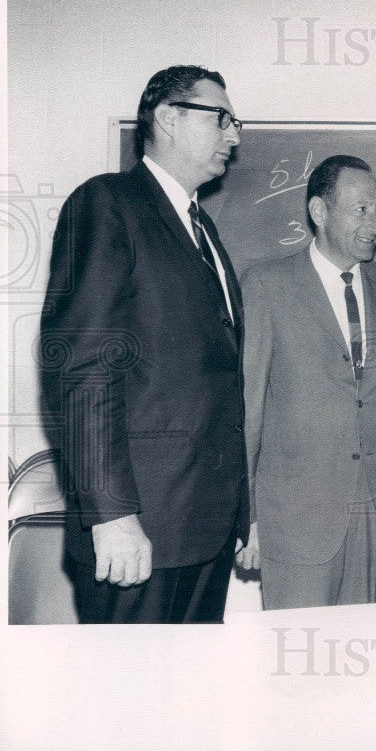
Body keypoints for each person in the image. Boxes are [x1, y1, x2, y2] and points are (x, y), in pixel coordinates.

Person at [39, 65, 249, 623]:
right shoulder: (106, 204)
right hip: (138, 532)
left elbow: (219, 386)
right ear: (168, 118)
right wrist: (111, 515)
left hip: (202, 529)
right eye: (222, 118)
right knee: (127, 702)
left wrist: (240, 514)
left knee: (187, 699)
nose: (234, 135)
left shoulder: (204, 231)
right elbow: (81, 367)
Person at [239, 155, 376, 609]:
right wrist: (249, 516)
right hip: (295, 519)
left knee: (364, 661)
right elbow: (248, 410)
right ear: (319, 212)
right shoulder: (267, 284)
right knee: (298, 659)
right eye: (360, 209)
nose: (374, 223)